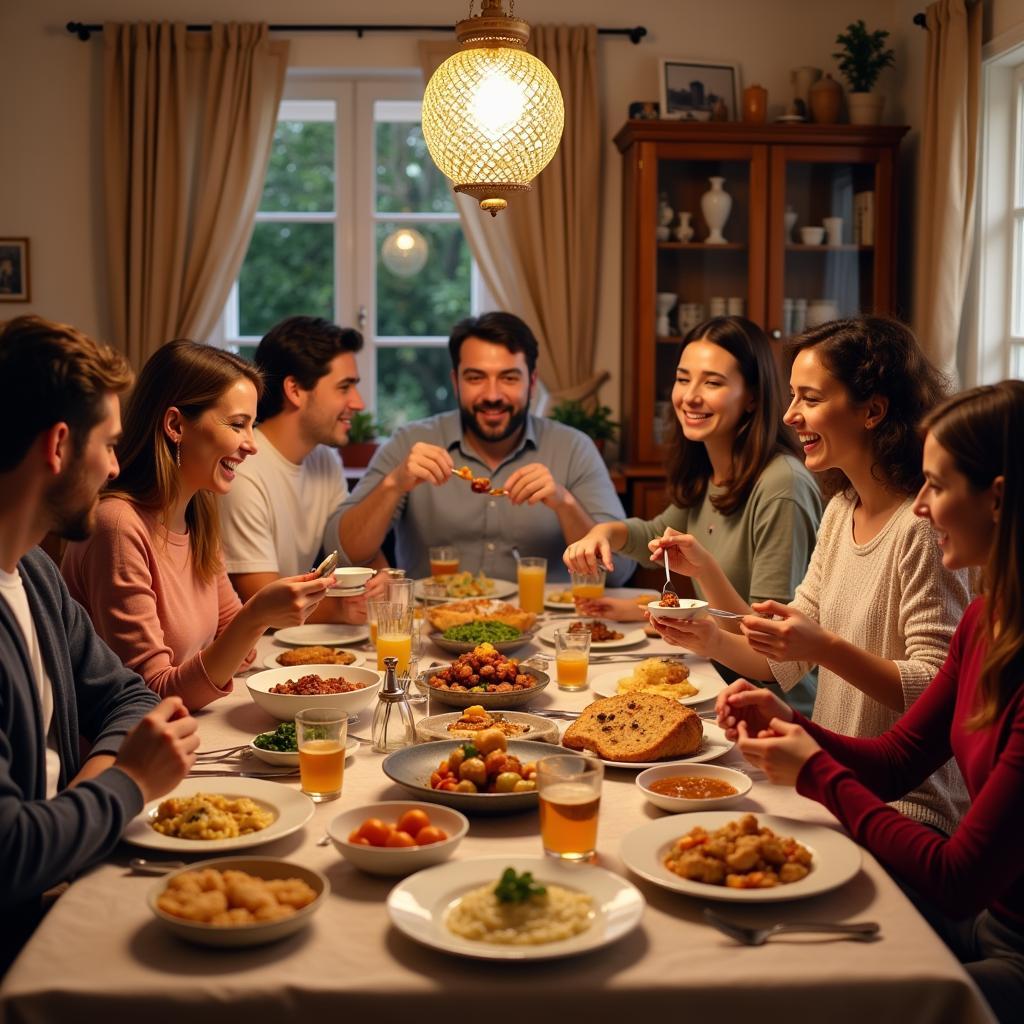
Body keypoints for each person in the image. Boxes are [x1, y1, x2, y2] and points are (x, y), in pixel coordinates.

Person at [719, 381, 1024, 1023]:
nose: (922, 509)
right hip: (981, 921)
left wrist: (815, 771)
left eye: (937, 487)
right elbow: (896, 757)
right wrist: (793, 725)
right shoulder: (985, 622)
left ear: (997, 498)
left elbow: (957, 876)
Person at [653, 316, 971, 834]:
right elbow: (780, 661)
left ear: (873, 411)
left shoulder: (922, 528)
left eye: (810, 399)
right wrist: (708, 633)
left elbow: (935, 690)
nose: (791, 415)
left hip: (909, 811)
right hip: (836, 786)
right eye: (793, 397)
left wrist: (821, 647)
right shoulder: (842, 508)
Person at [0, 316, 198, 968]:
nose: (117, 464)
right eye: (110, 444)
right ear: (59, 445)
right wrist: (130, 782)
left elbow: (130, 695)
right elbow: (10, 855)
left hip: (65, 871)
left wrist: (80, 800)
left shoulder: (33, 571)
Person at [563, 317, 822, 713]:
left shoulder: (782, 486)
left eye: (713, 382)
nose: (689, 396)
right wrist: (603, 532)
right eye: (683, 379)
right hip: (718, 681)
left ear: (752, 396)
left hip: (776, 710)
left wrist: (704, 573)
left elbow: (770, 645)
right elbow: (652, 532)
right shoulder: (711, 471)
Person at [62, 340, 333, 712]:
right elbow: (152, 697)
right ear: (175, 425)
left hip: (186, 728)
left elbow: (239, 650)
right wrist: (257, 615)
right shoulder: (118, 526)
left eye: (252, 425)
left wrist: (253, 621)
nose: (251, 445)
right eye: (238, 425)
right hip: (124, 754)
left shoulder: (197, 514)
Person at [337, 311, 632, 583]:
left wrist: (564, 503)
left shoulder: (573, 448)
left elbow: (618, 571)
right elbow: (345, 551)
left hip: (546, 633)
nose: (492, 395)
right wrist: (394, 483)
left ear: (531, 383)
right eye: (476, 378)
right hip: (430, 630)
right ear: (456, 382)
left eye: (508, 378)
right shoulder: (409, 442)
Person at [218, 316, 388, 622]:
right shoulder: (243, 468)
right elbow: (259, 598)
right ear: (294, 390)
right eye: (345, 387)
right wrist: (342, 609)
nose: (359, 403)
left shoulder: (325, 459)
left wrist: (382, 581)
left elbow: (350, 551)